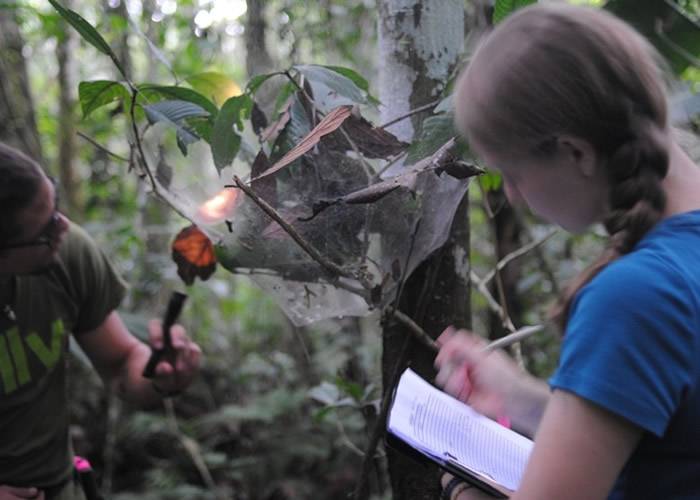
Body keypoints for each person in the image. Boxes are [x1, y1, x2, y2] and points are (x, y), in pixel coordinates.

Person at [434, 3, 700, 499]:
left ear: (575, 152)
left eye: (511, 174)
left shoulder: (636, 296)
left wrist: (463, 488)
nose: (511, 194)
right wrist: (522, 398)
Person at [0, 143, 202, 499]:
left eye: (56, 203)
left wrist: (160, 373)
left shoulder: (67, 253)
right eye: (45, 231)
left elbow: (122, 363)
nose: (63, 228)